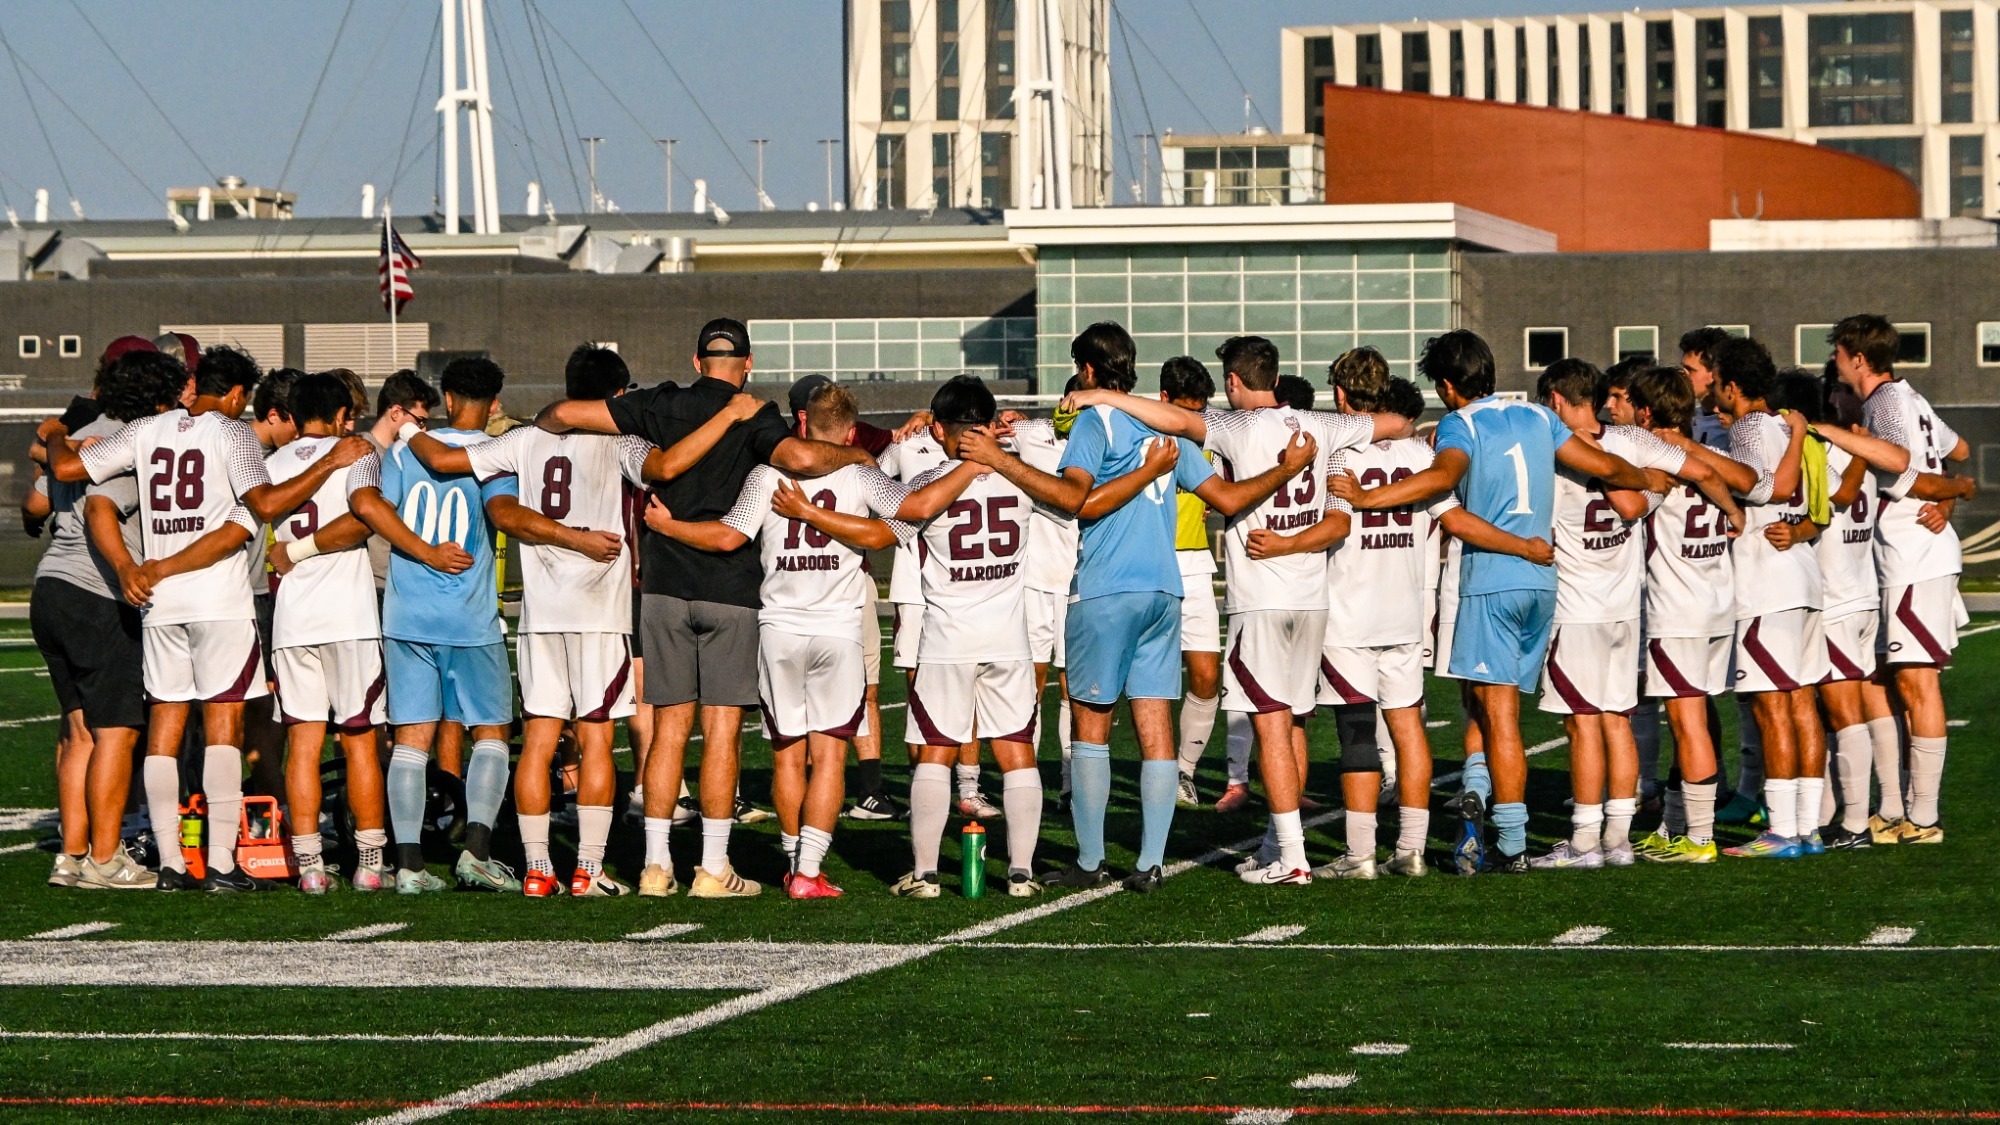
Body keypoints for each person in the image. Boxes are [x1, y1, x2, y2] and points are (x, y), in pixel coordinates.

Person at [411, 344, 763, 897]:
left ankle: (535, 870)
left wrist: (405, 427)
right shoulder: (621, 442)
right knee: (597, 738)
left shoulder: (526, 437)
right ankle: (590, 871)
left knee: (543, 737)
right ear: (618, 397)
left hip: (541, 613)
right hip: (600, 611)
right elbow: (669, 466)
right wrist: (730, 415)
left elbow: (443, 459)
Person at [534, 318, 867, 898]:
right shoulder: (755, 415)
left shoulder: (659, 403)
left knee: (667, 730)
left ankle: (655, 866)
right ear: (749, 363)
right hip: (729, 588)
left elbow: (559, 416)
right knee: (720, 734)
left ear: (695, 361)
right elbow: (806, 460)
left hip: (661, 585)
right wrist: (859, 454)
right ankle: (713, 868)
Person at [1062, 332, 1401, 887]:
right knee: (1290, 723)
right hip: (1311, 597)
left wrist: (1105, 399)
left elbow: (1176, 426)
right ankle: (1273, 844)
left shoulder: (1235, 425)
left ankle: (1291, 856)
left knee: (1266, 726)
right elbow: (1393, 425)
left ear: (1236, 381)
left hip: (1257, 598)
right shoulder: (1322, 424)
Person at [45, 349, 370, 891]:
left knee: (165, 731)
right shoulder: (234, 433)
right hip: (218, 598)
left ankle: (172, 863)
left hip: (159, 597)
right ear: (240, 395)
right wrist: (328, 464)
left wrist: (56, 434)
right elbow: (264, 505)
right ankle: (220, 861)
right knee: (224, 727)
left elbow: (67, 468)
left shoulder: (147, 428)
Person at [1334, 329, 1646, 874]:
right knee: (1496, 708)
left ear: (1450, 384)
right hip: (1543, 584)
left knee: (1495, 715)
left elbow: (1443, 476)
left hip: (1493, 579)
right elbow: (1612, 469)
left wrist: (1368, 498)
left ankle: (1511, 841)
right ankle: (1483, 804)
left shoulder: (1462, 422)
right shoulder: (1538, 417)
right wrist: (1637, 475)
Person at [651, 382, 915, 899]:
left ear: (800, 425)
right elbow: (897, 526)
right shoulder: (862, 472)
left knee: (787, 754)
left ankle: (794, 859)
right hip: (837, 628)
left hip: (777, 630)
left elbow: (728, 536)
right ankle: (808, 872)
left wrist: (669, 526)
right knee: (831, 754)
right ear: (850, 432)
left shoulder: (767, 473)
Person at [1531, 358, 1732, 869]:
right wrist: (1732, 511)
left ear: (1555, 400)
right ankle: (1618, 840)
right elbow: (1699, 471)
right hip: (1628, 607)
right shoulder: (1634, 439)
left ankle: (1583, 841)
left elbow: (1624, 501)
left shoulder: (1553, 445)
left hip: (1578, 608)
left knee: (1583, 724)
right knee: (1618, 721)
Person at [348, 357, 536, 894]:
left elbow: (370, 506)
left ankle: (407, 866)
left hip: (407, 614)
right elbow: (503, 514)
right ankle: (476, 853)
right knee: (493, 733)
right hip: (470, 618)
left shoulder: (407, 451)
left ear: (447, 398)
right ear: (494, 403)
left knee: (411, 739)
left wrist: (421, 552)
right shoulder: (496, 453)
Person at [888, 377, 1063, 898]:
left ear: (939, 428)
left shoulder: (930, 476)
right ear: (988, 425)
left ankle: (924, 874)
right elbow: (1071, 498)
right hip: (1009, 635)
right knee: (1016, 753)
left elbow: (901, 514)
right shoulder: (1021, 476)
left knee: (937, 752)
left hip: (945, 637)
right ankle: (1022, 873)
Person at [1815, 315, 1975, 845]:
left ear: (1858, 358)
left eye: (1838, 354)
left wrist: (1832, 432)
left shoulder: (1885, 402)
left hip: (1916, 555)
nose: (1835, 363)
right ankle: (1894, 809)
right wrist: (1949, 491)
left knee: (1917, 681)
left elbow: (1904, 462)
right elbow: (1959, 451)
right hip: (1904, 556)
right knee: (1892, 678)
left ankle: (1923, 819)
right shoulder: (1911, 397)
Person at [26, 346, 173, 889]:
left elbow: (36, 503)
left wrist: (56, 438)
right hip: (95, 593)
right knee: (117, 731)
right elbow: (100, 508)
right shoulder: (128, 441)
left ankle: (71, 854)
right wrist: (126, 567)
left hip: (51, 587)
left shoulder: (87, 429)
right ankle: (106, 858)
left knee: (79, 732)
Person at [262, 373, 391, 893]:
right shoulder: (356, 451)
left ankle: (311, 866)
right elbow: (364, 521)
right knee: (361, 742)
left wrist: (291, 552)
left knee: (304, 744)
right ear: (340, 415)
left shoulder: (271, 464)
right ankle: (370, 864)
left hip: (293, 618)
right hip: (350, 617)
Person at [1707, 337, 1827, 859]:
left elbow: (1764, 488)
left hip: (1766, 585)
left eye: (1716, 385)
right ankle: (1806, 827)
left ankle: (1781, 831)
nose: (1713, 395)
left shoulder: (1753, 428)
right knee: (1801, 705)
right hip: (1801, 577)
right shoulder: (1784, 424)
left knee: (1773, 708)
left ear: (1733, 387)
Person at [1627, 368, 1753, 864]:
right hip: (1718, 601)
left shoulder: (1648, 448)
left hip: (1678, 608)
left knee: (1688, 722)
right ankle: (1676, 823)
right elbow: (1735, 478)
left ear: (1645, 410)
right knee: (1693, 718)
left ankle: (1699, 838)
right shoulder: (1708, 448)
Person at [1156, 358, 1226, 810]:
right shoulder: (1140, 426)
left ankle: (1184, 771)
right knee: (1149, 678)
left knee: (1206, 675)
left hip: (1197, 563)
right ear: (1164, 400)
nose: (1193, 419)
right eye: (1185, 409)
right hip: (1149, 563)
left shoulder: (1215, 429)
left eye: (1199, 410)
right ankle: (1158, 771)